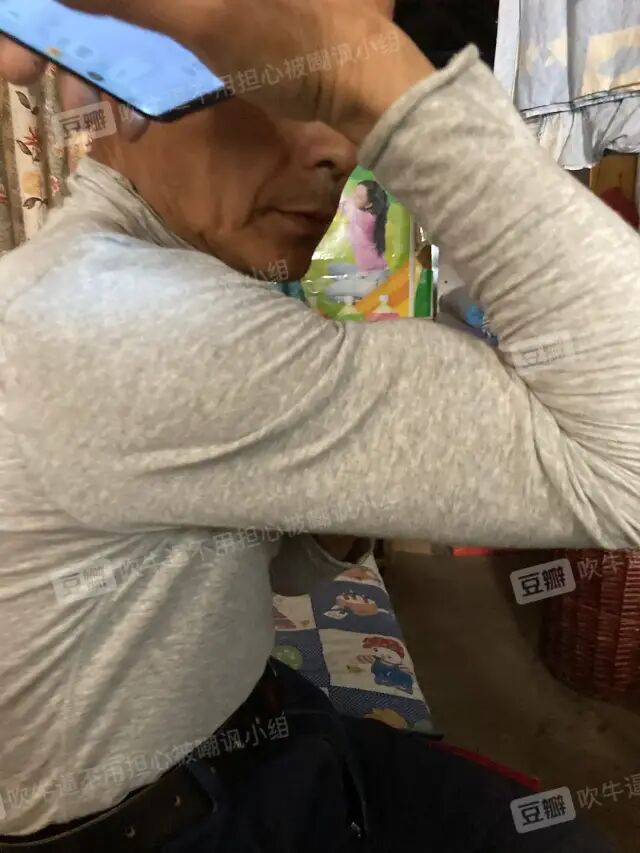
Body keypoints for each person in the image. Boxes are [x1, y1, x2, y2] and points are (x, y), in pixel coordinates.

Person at [0, 0, 637, 850]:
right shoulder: (133, 324)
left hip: (257, 733)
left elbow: (282, 565)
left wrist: (344, 479)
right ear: (119, 91)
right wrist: (362, 66)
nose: (341, 149)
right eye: (273, 74)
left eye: (320, 90)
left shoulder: (121, 270)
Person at [326, 179, 391, 301]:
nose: (353, 197)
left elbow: (343, 202)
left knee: (329, 291)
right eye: (354, 193)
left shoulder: (366, 219)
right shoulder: (361, 212)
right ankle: (355, 284)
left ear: (369, 204)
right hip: (365, 271)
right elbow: (345, 204)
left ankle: (357, 298)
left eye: (359, 197)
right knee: (332, 268)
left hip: (374, 279)